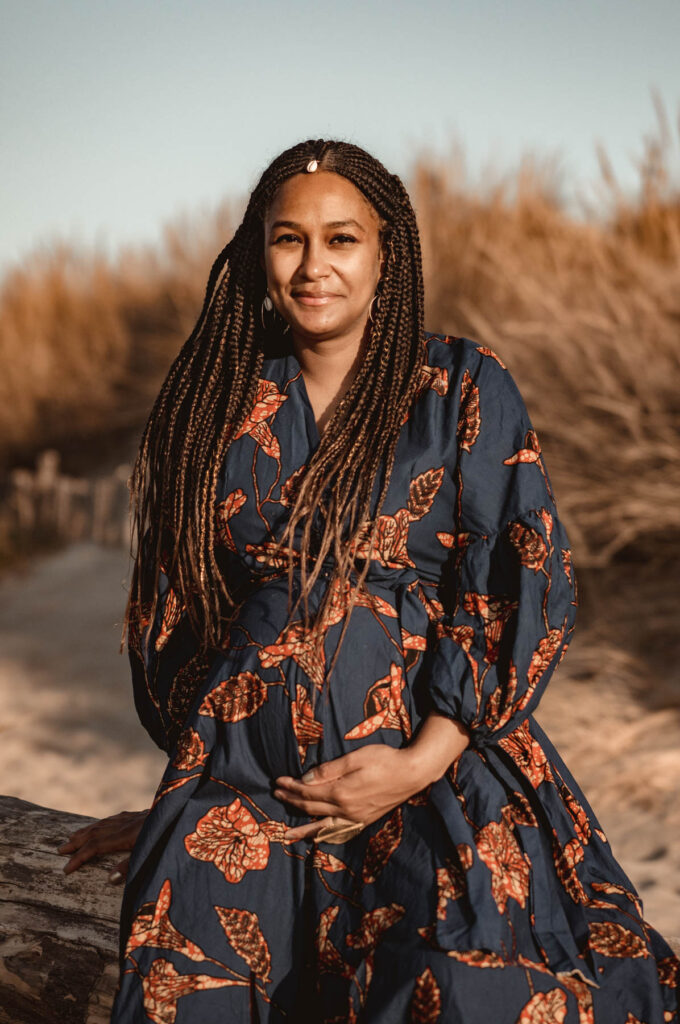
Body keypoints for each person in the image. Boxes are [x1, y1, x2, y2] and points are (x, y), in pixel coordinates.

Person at [58, 139, 678, 1022]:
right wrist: (184, 791)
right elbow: (186, 612)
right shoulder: (215, 402)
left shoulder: (462, 383)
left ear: (387, 256)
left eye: (342, 239)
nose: (314, 267)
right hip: (247, 797)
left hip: (433, 774)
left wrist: (418, 762)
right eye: (288, 239)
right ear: (255, 253)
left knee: (461, 982)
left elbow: (516, 577)